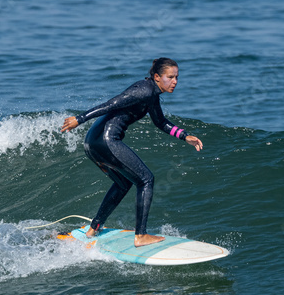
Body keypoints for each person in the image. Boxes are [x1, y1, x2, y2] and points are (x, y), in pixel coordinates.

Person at [60, 58, 203, 247]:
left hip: (94, 141)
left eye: (177, 77)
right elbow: (111, 104)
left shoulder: (151, 95)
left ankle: (93, 228)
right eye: (171, 77)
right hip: (105, 140)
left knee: (123, 183)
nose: (175, 81)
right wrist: (80, 118)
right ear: (157, 77)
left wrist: (184, 136)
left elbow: (160, 122)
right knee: (146, 179)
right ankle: (141, 235)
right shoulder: (143, 89)